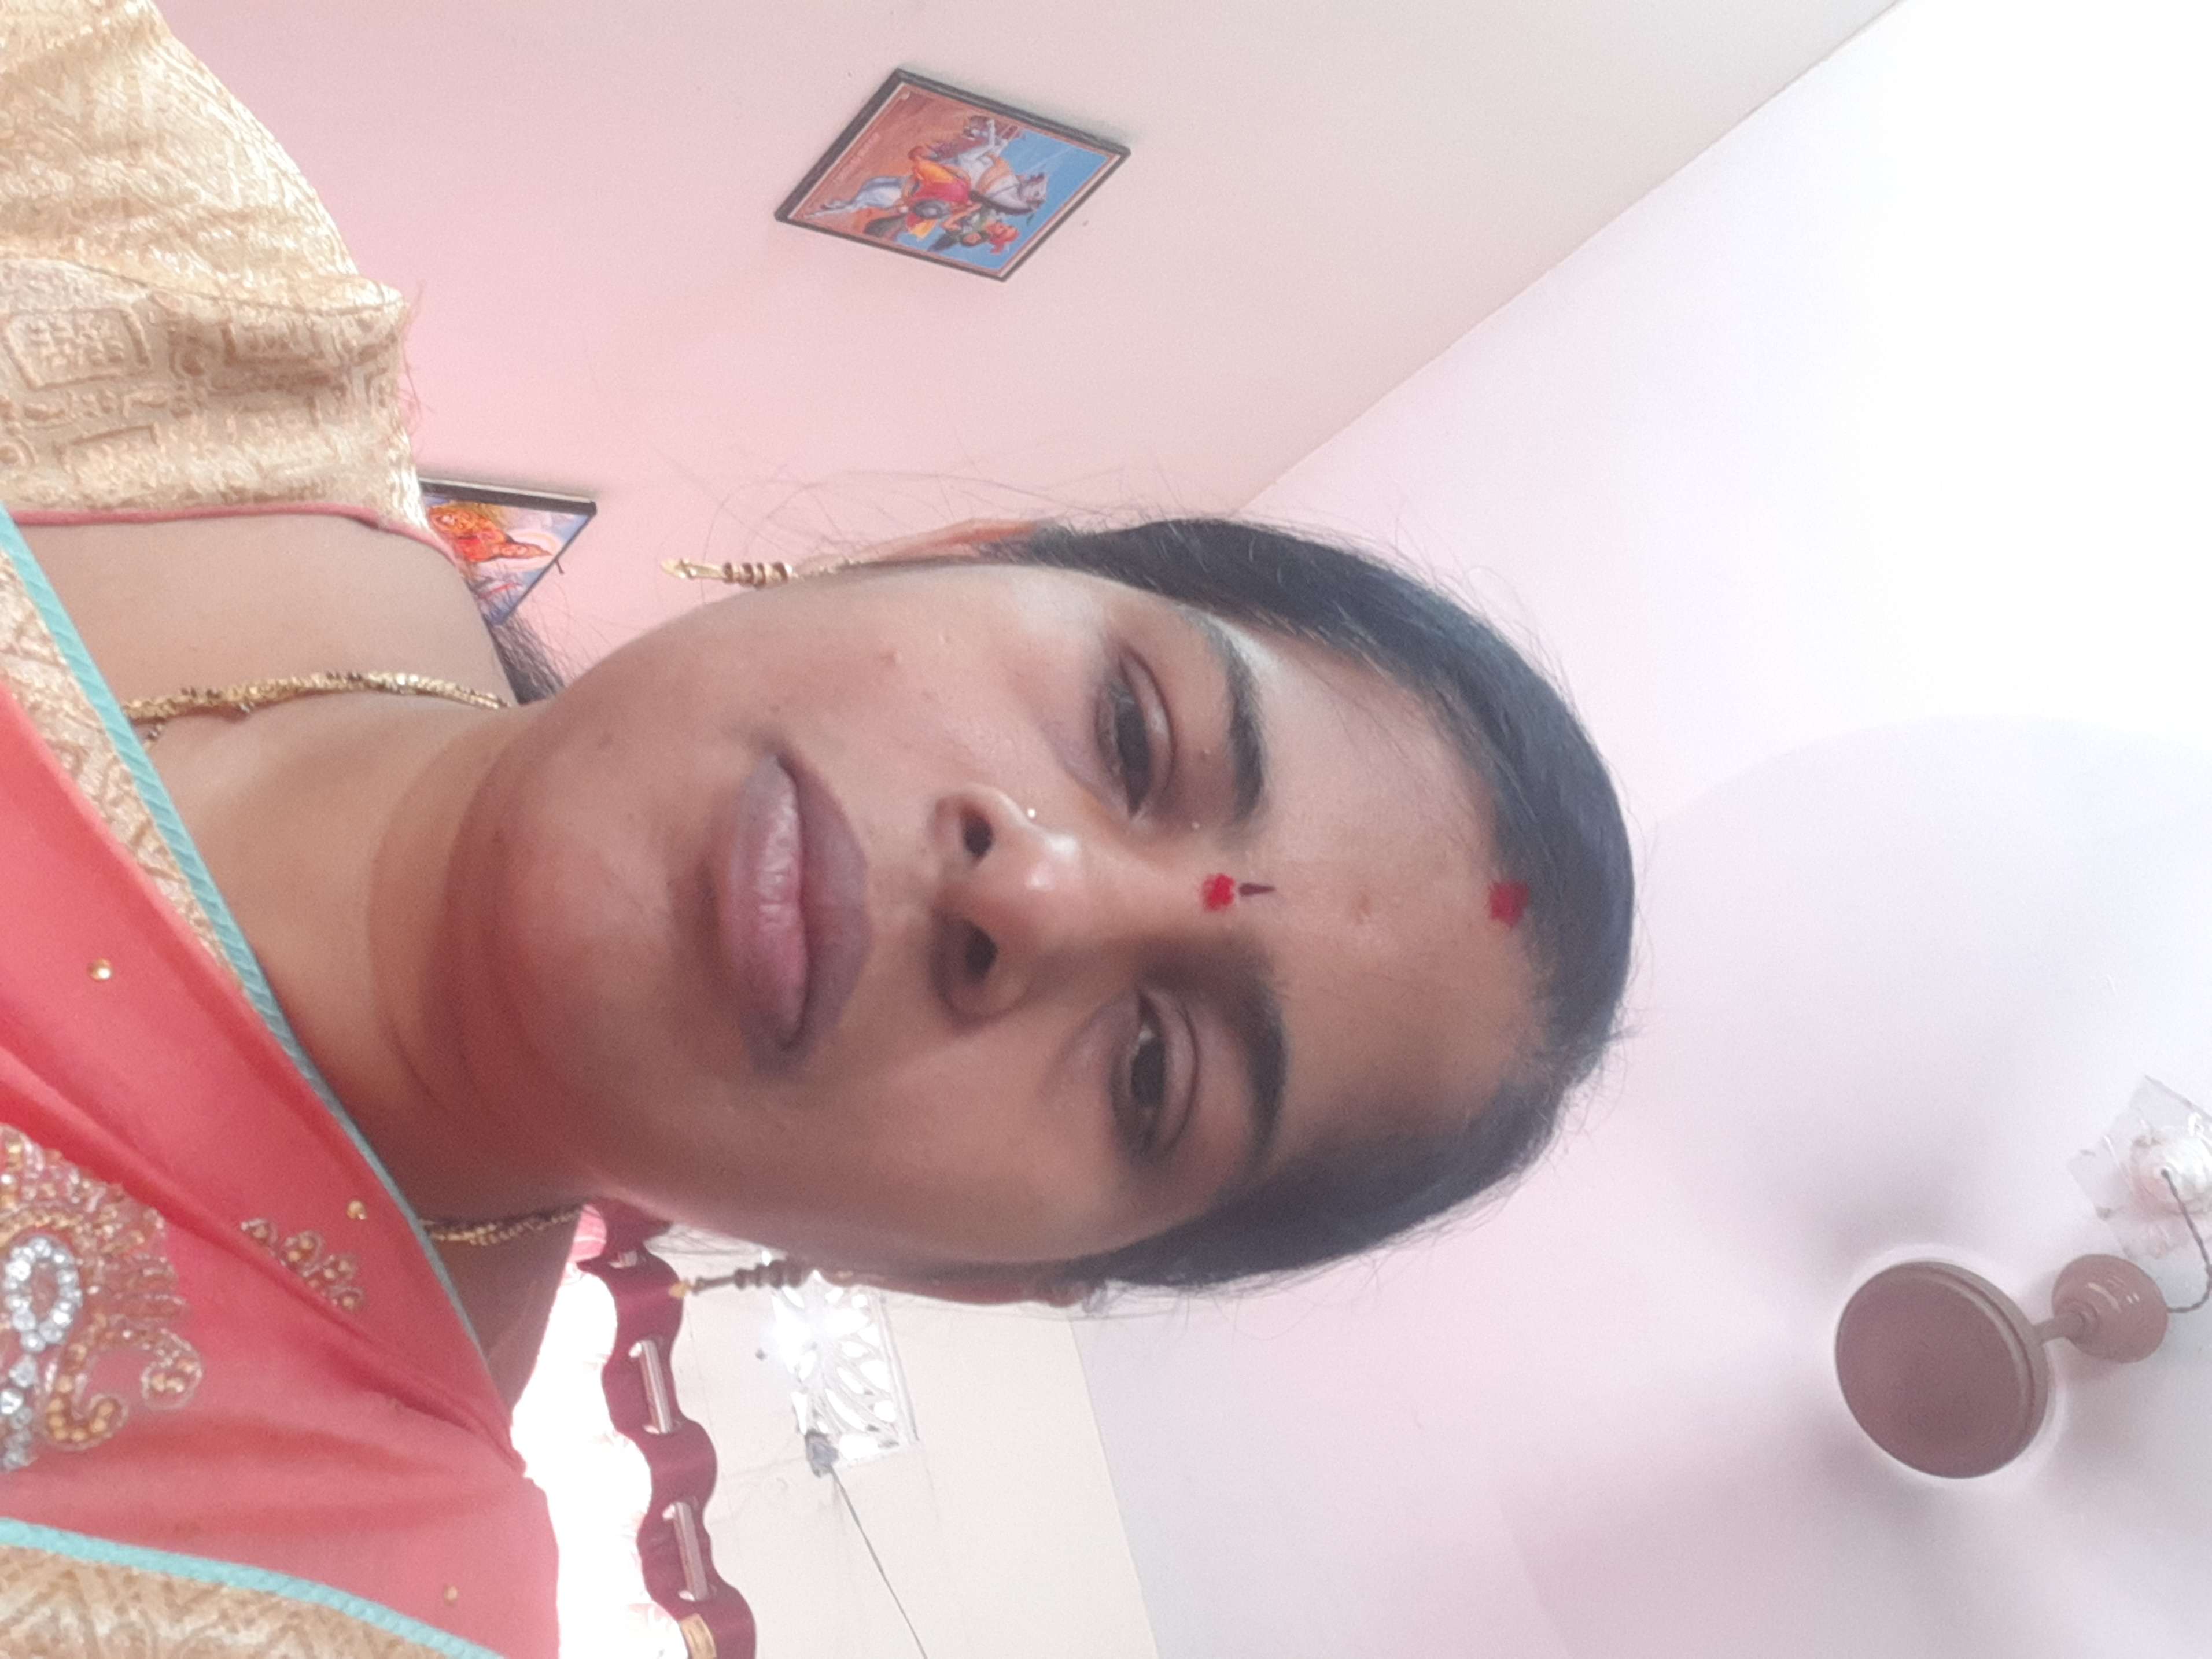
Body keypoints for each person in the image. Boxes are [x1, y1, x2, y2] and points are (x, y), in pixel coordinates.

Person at [0, 1, 1633, 1655]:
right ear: (954, 553)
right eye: (1134, 734)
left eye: (1155, 1070)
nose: (1037, 894)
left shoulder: (309, 1603)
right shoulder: (143, 232)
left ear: (973, 1276)